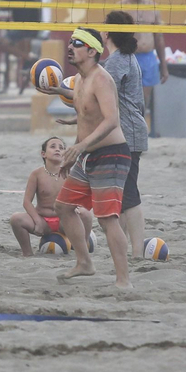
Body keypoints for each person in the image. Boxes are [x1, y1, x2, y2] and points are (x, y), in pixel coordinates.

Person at [52, 27, 132, 286]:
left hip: (112, 155)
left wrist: (80, 145)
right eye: (70, 42)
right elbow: (87, 119)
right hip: (88, 155)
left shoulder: (102, 79)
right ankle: (84, 263)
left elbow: (111, 121)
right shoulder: (79, 80)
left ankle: (123, 280)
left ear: (92, 51)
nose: (70, 47)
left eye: (76, 43)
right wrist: (75, 152)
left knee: (108, 218)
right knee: (63, 207)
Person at [102, 10, 148, 258]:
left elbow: (102, 95)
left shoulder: (118, 60)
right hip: (130, 130)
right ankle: (119, 249)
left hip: (127, 133)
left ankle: (138, 253)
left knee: (128, 193)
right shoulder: (122, 58)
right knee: (118, 194)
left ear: (107, 32)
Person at [10, 137, 92, 256]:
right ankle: (27, 254)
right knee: (16, 219)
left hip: (65, 221)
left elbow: (81, 196)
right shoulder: (36, 174)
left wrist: (77, 207)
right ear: (43, 154)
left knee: (86, 214)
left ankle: (82, 248)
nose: (57, 150)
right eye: (53, 147)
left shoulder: (70, 173)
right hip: (43, 221)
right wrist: (37, 220)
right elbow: (27, 202)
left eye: (61, 148)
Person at [122, 0, 168, 137]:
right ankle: (127, 132)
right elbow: (111, 38)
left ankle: (139, 133)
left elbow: (159, 38)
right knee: (127, 99)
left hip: (148, 59)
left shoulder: (153, 8)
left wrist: (164, 67)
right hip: (128, 58)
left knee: (144, 100)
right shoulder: (121, 8)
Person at [0, 0, 40, 92]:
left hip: (25, 27)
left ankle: (28, 58)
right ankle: (27, 61)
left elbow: (4, 2)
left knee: (2, 42)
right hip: (29, 26)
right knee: (19, 48)